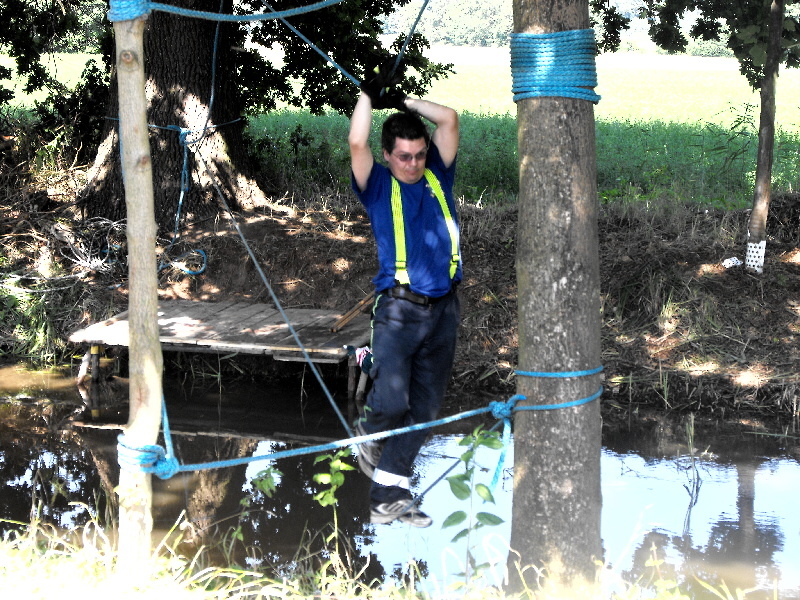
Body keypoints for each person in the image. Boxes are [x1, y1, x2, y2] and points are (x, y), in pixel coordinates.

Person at [348, 72, 461, 528]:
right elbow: (357, 142)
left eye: (419, 155)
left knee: (425, 411)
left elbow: (449, 119)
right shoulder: (376, 184)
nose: (413, 164)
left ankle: (388, 496)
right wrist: (368, 95)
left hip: (444, 309)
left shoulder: (439, 175)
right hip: (398, 309)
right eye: (403, 156)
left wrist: (406, 101)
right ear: (388, 155)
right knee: (392, 404)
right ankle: (369, 435)